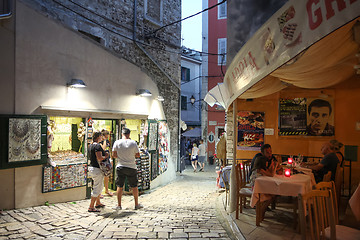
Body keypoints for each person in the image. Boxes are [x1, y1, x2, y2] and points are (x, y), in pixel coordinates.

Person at [112, 128, 143, 210]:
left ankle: (119, 205)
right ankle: (136, 204)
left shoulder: (117, 142)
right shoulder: (133, 143)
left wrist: (121, 156)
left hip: (120, 166)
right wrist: (130, 156)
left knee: (120, 186)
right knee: (134, 186)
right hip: (131, 167)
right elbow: (138, 155)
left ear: (122, 134)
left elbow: (114, 155)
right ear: (129, 134)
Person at [88, 131, 109, 212]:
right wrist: (106, 156)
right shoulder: (97, 146)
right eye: (101, 136)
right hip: (97, 169)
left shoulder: (90, 145)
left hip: (92, 168)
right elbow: (99, 158)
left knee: (99, 185)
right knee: (97, 187)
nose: (102, 138)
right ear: (98, 137)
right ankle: (91, 206)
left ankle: (98, 203)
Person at [101, 129, 113, 197]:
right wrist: (104, 140)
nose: (108, 136)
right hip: (102, 160)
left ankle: (106, 189)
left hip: (107, 160)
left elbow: (109, 150)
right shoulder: (101, 142)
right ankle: (100, 191)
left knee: (107, 175)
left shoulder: (107, 141)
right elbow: (103, 148)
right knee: (101, 175)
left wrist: (111, 159)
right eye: (107, 135)